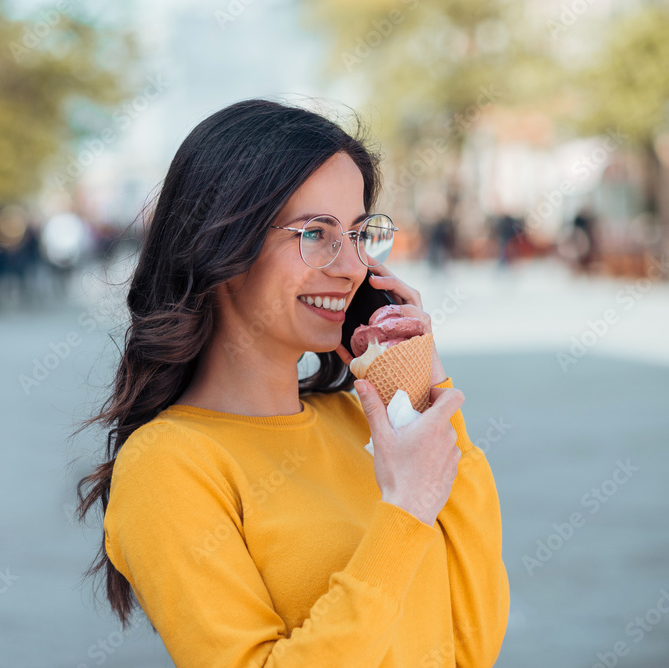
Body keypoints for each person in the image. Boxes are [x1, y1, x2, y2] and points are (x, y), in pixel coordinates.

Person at [74, 99, 509, 666]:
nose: (352, 266)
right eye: (315, 233)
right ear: (223, 241)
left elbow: (472, 643)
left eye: (357, 234)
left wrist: (424, 396)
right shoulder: (167, 466)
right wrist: (403, 513)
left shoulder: (365, 422)